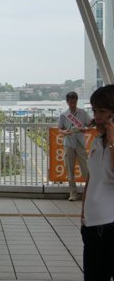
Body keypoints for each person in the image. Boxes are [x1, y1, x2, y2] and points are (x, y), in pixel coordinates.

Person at [81, 85, 114, 281]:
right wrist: (83, 211)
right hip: (92, 224)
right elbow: (91, 177)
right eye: (94, 110)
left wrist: (112, 141)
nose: (97, 116)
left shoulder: (110, 143)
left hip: (110, 225)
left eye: (102, 111)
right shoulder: (96, 141)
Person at [58, 91, 92, 201]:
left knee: (85, 169)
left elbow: (90, 125)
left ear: (77, 101)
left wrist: (84, 129)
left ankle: (89, 193)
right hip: (68, 143)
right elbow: (59, 129)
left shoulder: (83, 113)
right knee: (70, 170)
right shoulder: (64, 115)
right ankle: (73, 194)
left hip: (80, 143)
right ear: (67, 102)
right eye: (71, 102)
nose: (73, 104)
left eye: (75, 101)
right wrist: (65, 132)